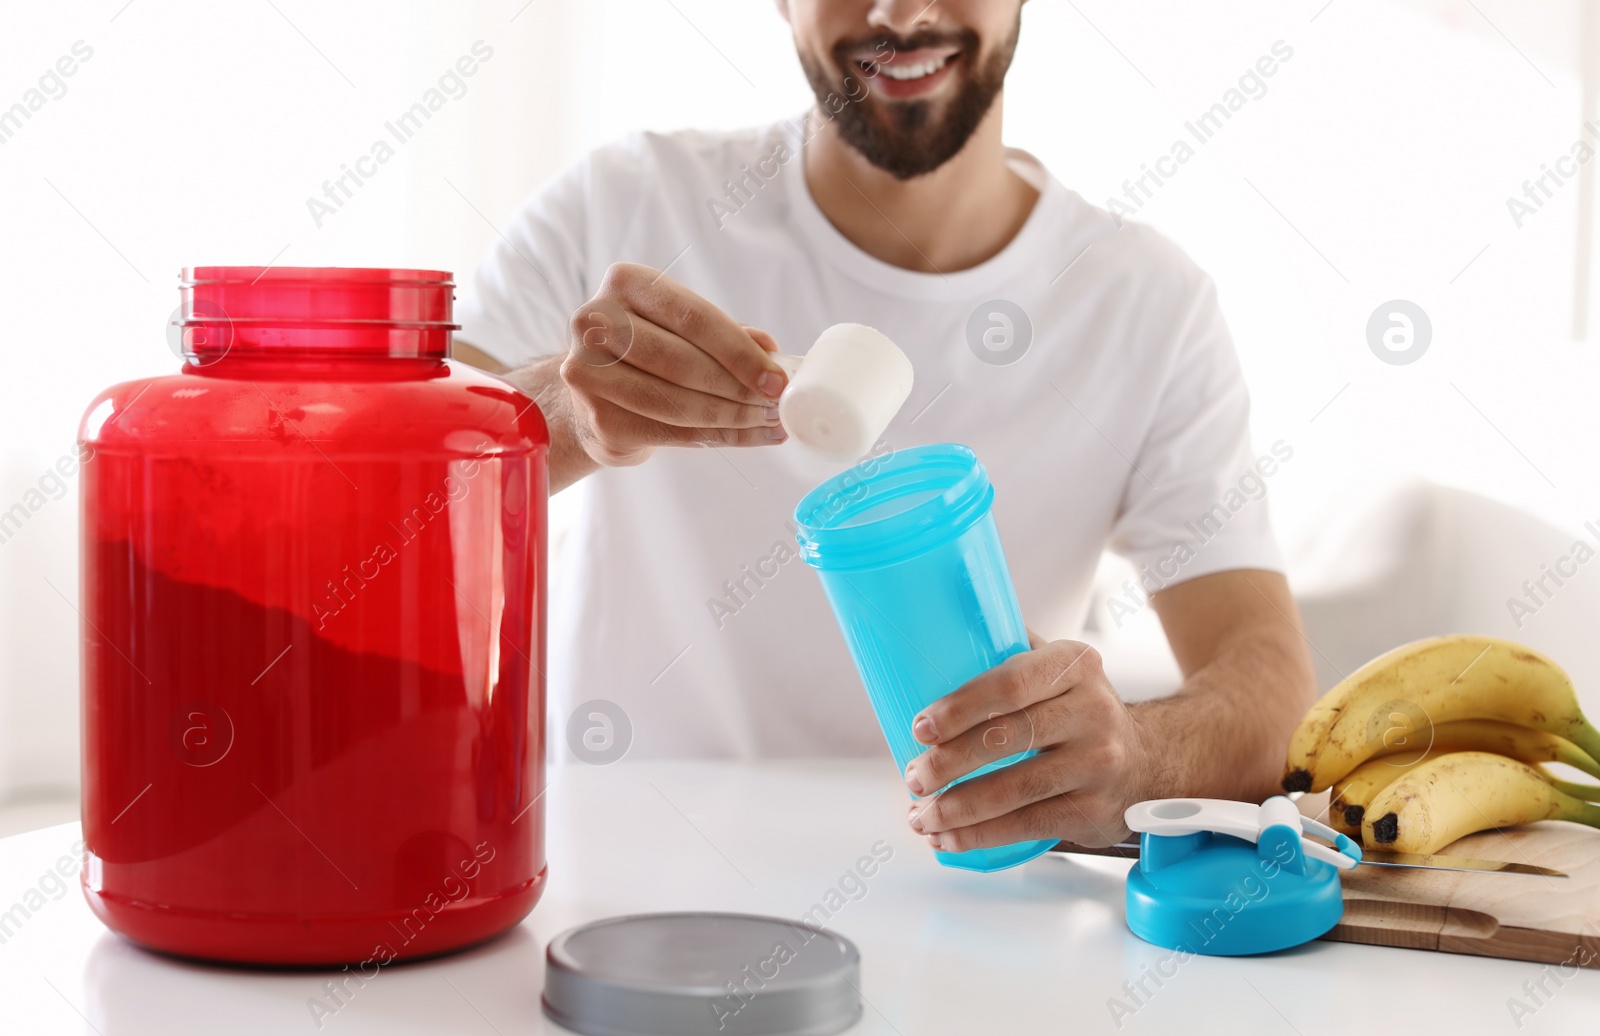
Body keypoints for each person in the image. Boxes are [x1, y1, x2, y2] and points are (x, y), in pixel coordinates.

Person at [452, 0, 1316, 852]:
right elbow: (370, 500)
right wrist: (565, 416)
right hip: (624, 881)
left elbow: (1270, 687)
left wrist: (1137, 753)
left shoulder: (1147, 304)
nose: (901, 12)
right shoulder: (627, 208)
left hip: (969, 897)